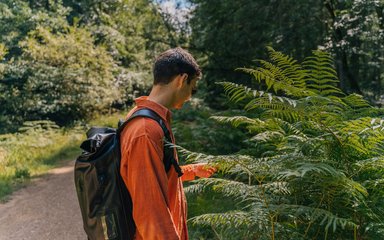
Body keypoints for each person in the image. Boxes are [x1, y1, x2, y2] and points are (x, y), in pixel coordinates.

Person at [120, 47, 216, 240]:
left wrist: (192, 171)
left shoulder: (149, 118)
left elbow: (155, 176)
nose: (191, 95)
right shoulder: (146, 130)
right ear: (182, 80)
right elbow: (150, 211)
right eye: (193, 87)